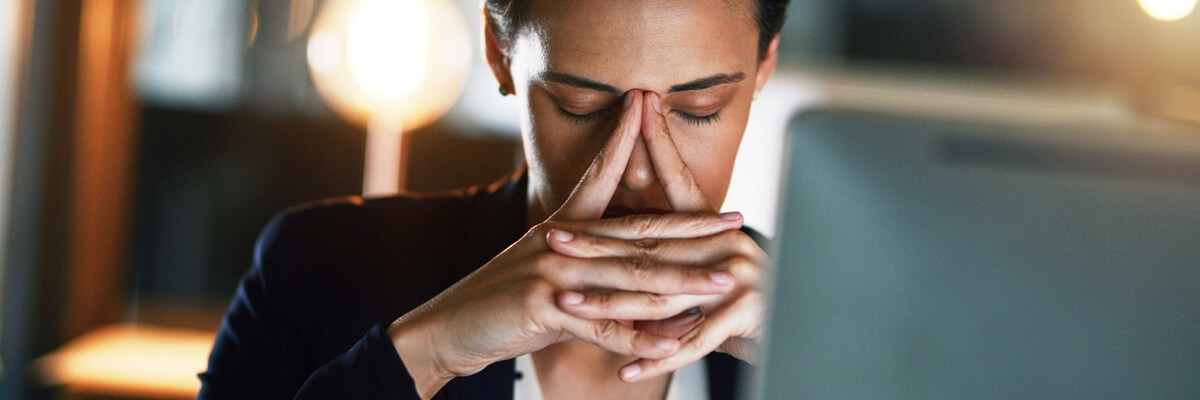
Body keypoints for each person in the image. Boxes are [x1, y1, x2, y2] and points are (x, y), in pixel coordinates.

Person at [198, 0, 789, 398]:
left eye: (696, 111)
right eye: (582, 107)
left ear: (764, 65)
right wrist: (428, 352)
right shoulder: (315, 269)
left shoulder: (828, 320)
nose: (637, 170)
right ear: (499, 53)